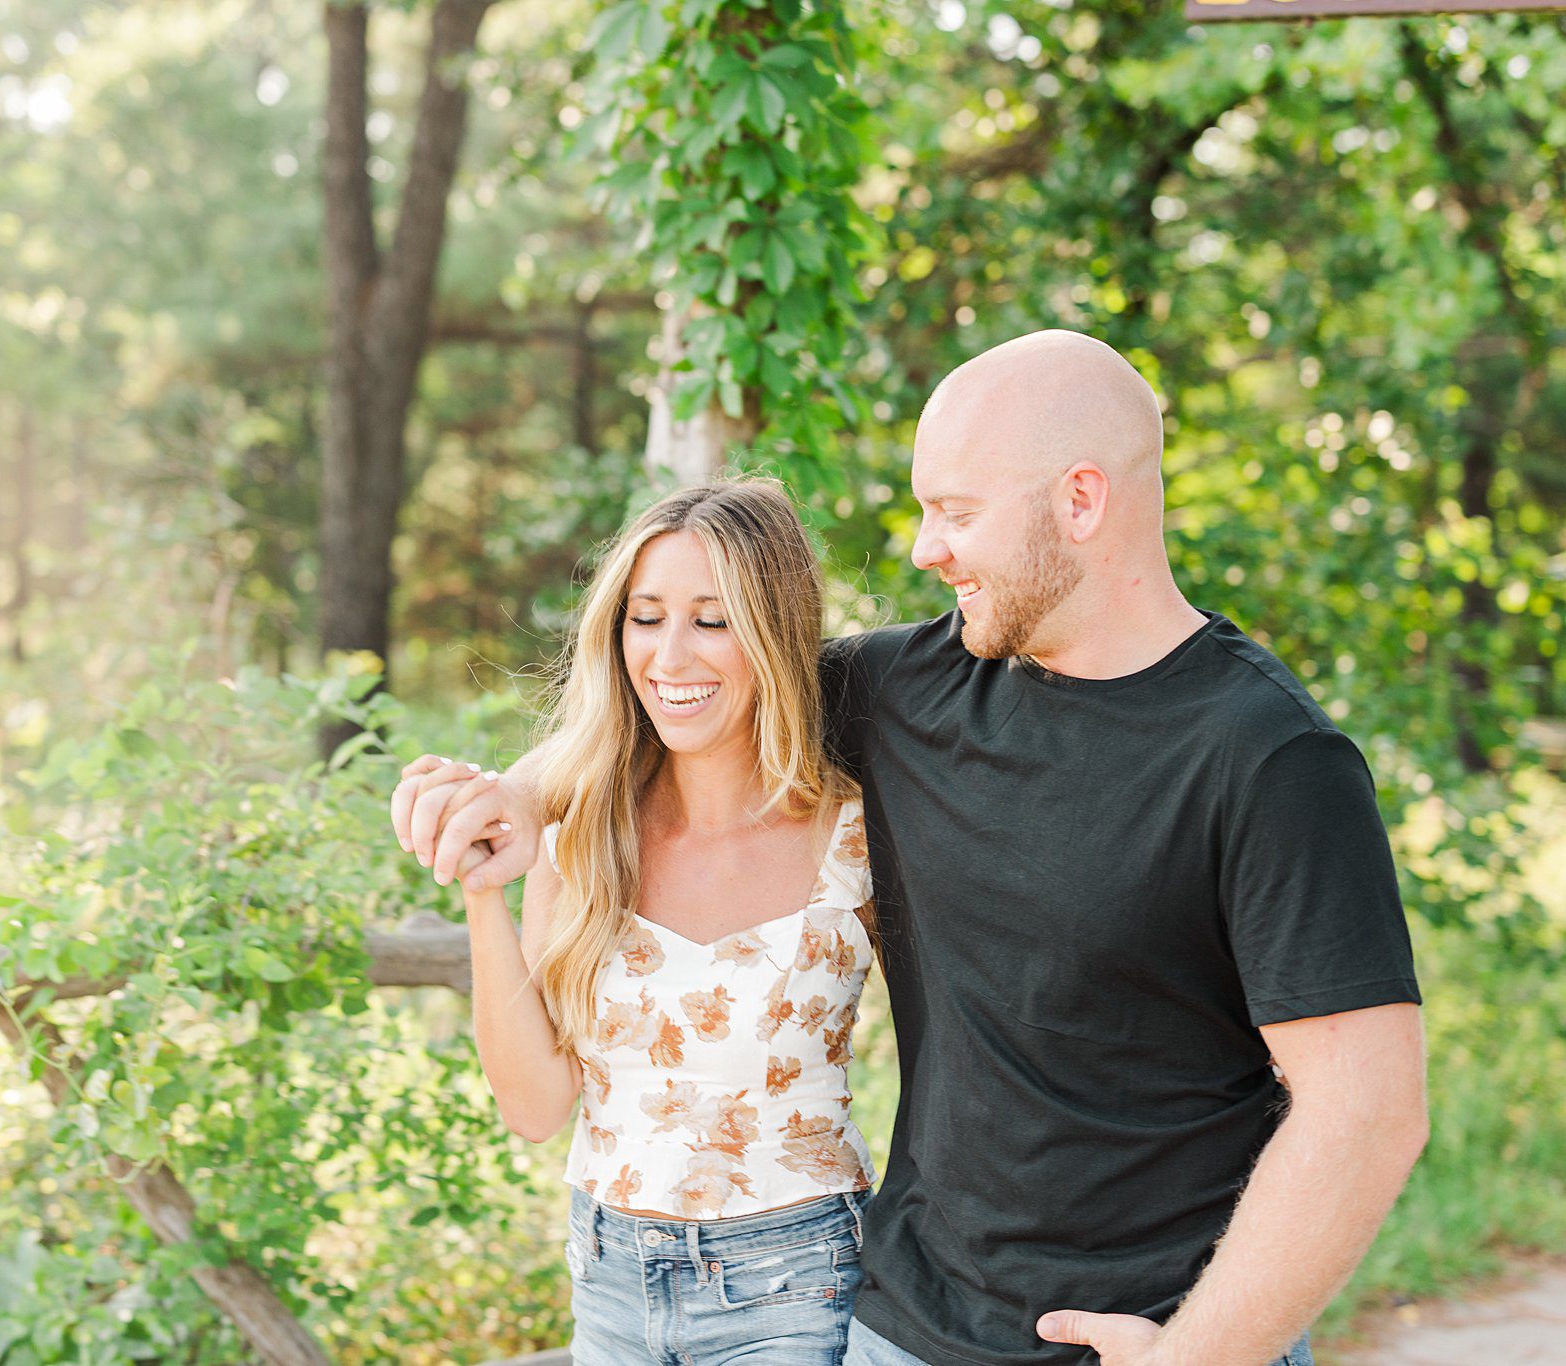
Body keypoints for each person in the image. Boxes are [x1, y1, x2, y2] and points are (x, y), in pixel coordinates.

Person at [396, 330, 1427, 1366]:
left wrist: (1194, 1354)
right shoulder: (910, 692)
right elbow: (685, 698)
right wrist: (523, 795)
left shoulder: (1267, 757)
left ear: (1078, 501)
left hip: (1149, 1336)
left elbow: (1365, 1112)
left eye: (956, 512)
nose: (925, 549)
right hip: (907, 1326)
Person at [395, 479, 881, 1363]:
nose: (669, 655)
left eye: (712, 618)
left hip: (796, 1283)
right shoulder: (582, 828)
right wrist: (481, 894)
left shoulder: (853, 834)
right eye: (645, 617)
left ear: (772, 633)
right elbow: (537, 1107)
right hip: (610, 1282)